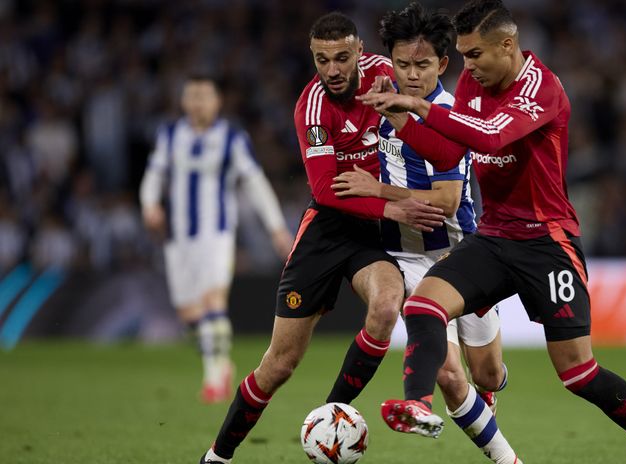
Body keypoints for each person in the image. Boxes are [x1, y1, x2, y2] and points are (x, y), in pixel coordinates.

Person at [359, 1, 626, 463]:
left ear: (507, 45)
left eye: (474, 55)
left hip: (546, 240)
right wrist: (400, 119)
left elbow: (490, 135)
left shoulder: (542, 88)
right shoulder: (473, 82)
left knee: (578, 372)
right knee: (424, 304)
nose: (466, 67)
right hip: (494, 235)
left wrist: (419, 105)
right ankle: (417, 403)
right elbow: (450, 156)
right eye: (464, 55)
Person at [198, 12, 446, 464]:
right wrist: (392, 204)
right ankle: (218, 455)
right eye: (322, 60)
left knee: (388, 304)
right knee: (279, 364)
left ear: (358, 53)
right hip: (328, 230)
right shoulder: (312, 108)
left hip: (375, 232)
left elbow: (427, 94)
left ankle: (335, 415)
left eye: (341, 58)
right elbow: (325, 190)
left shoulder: (385, 74)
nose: (332, 70)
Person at [331, 4, 521, 463]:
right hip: (406, 259)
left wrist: (375, 189)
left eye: (421, 65)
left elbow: (446, 201)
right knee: (450, 375)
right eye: (402, 64)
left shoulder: (449, 114)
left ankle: (488, 392)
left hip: (462, 254)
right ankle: (508, 459)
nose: (410, 75)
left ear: (442, 64)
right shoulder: (378, 102)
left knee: (487, 374)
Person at [139, 74, 294, 404]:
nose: (198, 102)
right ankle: (219, 362)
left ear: (217, 101)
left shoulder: (231, 137)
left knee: (213, 302)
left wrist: (276, 227)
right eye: (192, 95)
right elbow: (154, 173)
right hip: (178, 238)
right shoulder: (170, 135)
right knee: (189, 316)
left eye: (204, 96)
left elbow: (255, 182)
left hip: (216, 234)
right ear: (183, 101)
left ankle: (214, 378)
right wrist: (149, 204)